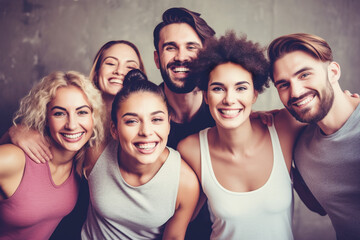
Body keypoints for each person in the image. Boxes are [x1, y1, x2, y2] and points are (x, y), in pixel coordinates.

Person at [1, 40, 146, 240]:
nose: (72, 124)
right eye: (111, 63)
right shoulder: (68, 132)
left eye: (130, 66)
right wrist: (14, 132)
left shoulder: (144, 134)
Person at [177, 31, 303, 239]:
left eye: (241, 88)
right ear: (206, 96)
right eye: (218, 88)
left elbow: (326, 116)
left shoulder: (284, 127)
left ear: (254, 93)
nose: (229, 99)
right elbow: (178, 219)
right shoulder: (191, 149)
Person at [81, 69, 200, 239]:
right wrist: (28, 133)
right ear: (114, 130)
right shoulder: (96, 152)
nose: (146, 132)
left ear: (168, 124)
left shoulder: (185, 183)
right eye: (132, 121)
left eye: (156, 119)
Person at [268, 33, 360, 240]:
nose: (296, 92)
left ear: (333, 72)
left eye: (304, 75)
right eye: (283, 84)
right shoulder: (301, 149)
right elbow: (319, 206)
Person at [0, 71, 104, 240]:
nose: (71, 125)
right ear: (45, 118)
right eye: (59, 113)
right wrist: (12, 132)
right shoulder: (17, 159)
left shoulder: (82, 164)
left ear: (94, 118)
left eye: (82, 112)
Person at [153, 7, 216, 239]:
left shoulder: (223, 114)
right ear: (157, 58)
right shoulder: (140, 111)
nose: (181, 57)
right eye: (171, 47)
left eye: (191, 47)